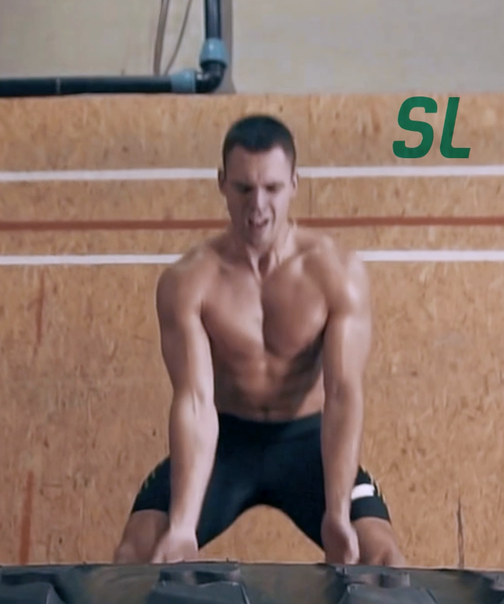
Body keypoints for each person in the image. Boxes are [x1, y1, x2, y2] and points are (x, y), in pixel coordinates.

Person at [114, 114, 405, 567]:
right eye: (243, 189)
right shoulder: (189, 281)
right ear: (221, 183)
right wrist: (183, 525)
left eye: (272, 188)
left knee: (383, 560)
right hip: (226, 442)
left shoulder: (337, 273)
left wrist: (336, 513)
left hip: (308, 442)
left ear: (294, 184)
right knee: (138, 553)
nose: (258, 206)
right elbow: (195, 402)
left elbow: (343, 395)